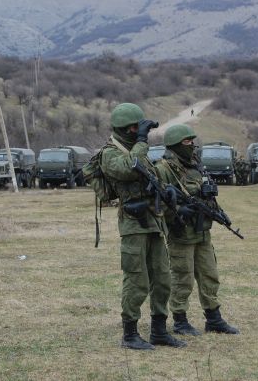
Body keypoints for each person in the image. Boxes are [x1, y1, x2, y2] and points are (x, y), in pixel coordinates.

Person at [101, 103, 186, 350]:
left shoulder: (138, 150)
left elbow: (150, 176)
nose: (139, 132)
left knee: (162, 278)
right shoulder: (110, 153)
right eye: (135, 128)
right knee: (136, 280)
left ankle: (159, 331)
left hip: (154, 221)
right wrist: (141, 140)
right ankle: (130, 334)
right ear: (124, 129)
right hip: (133, 224)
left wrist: (168, 191)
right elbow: (130, 168)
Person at [155, 124, 239, 336]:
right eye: (187, 142)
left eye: (192, 141)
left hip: (202, 231)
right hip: (181, 233)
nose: (192, 145)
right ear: (175, 145)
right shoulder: (164, 169)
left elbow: (207, 194)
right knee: (182, 277)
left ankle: (214, 318)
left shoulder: (196, 165)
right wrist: (180, 210)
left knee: (210, 274)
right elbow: (158, 202)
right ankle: (180, 320)